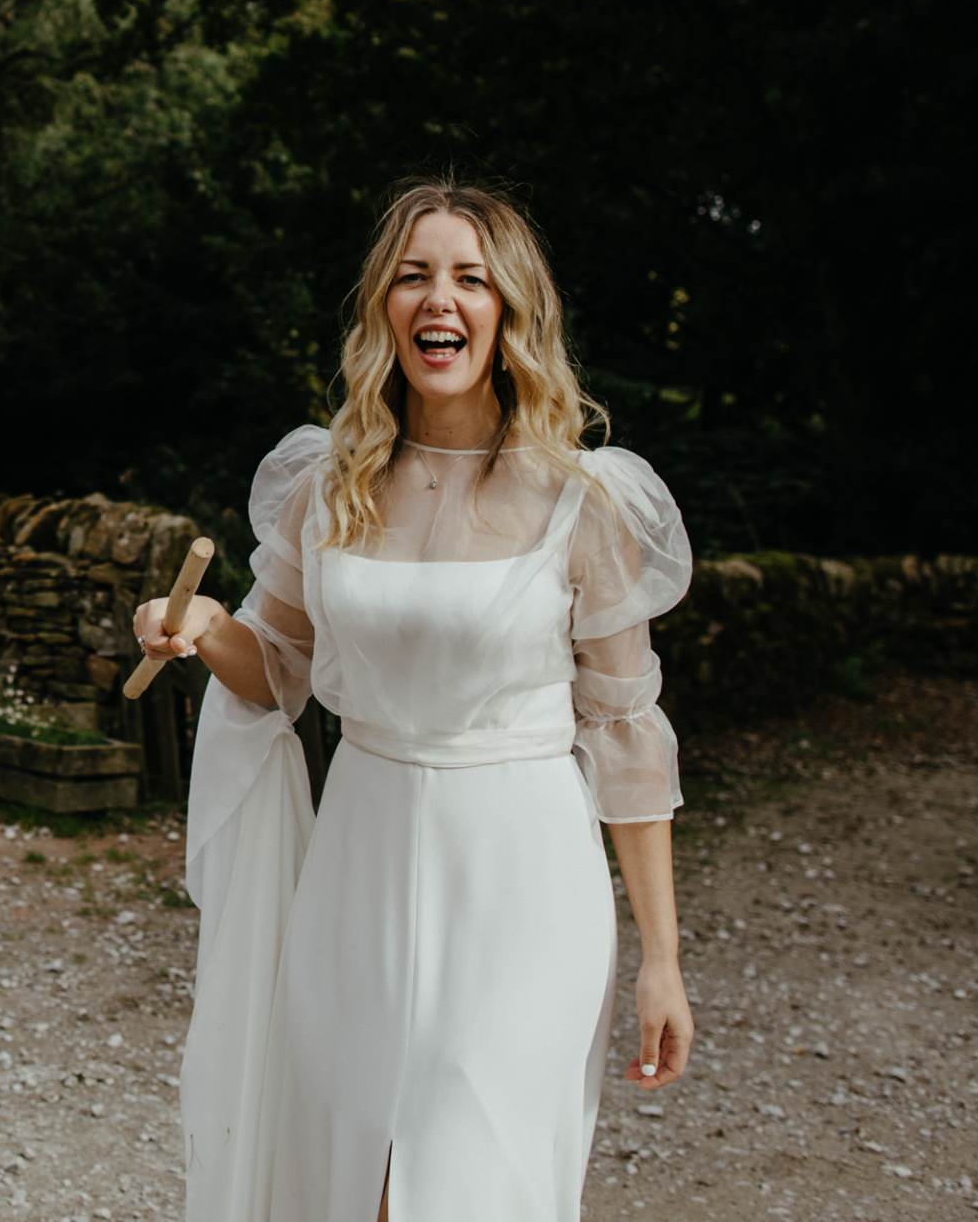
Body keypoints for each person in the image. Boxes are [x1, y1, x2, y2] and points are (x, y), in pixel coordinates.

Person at [138, 180, 694, 1222]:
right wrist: (207, 631)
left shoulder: (586, 503)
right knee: (357, 1179)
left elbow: (624, 735)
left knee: (468, 1176)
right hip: (360, 861)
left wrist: (661, 962)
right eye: (415, 275)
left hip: (520, 879)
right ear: (384, 309)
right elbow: (279, 665)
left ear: (511, 310)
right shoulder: (327, 483)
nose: (441, 298)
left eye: (471, 278)